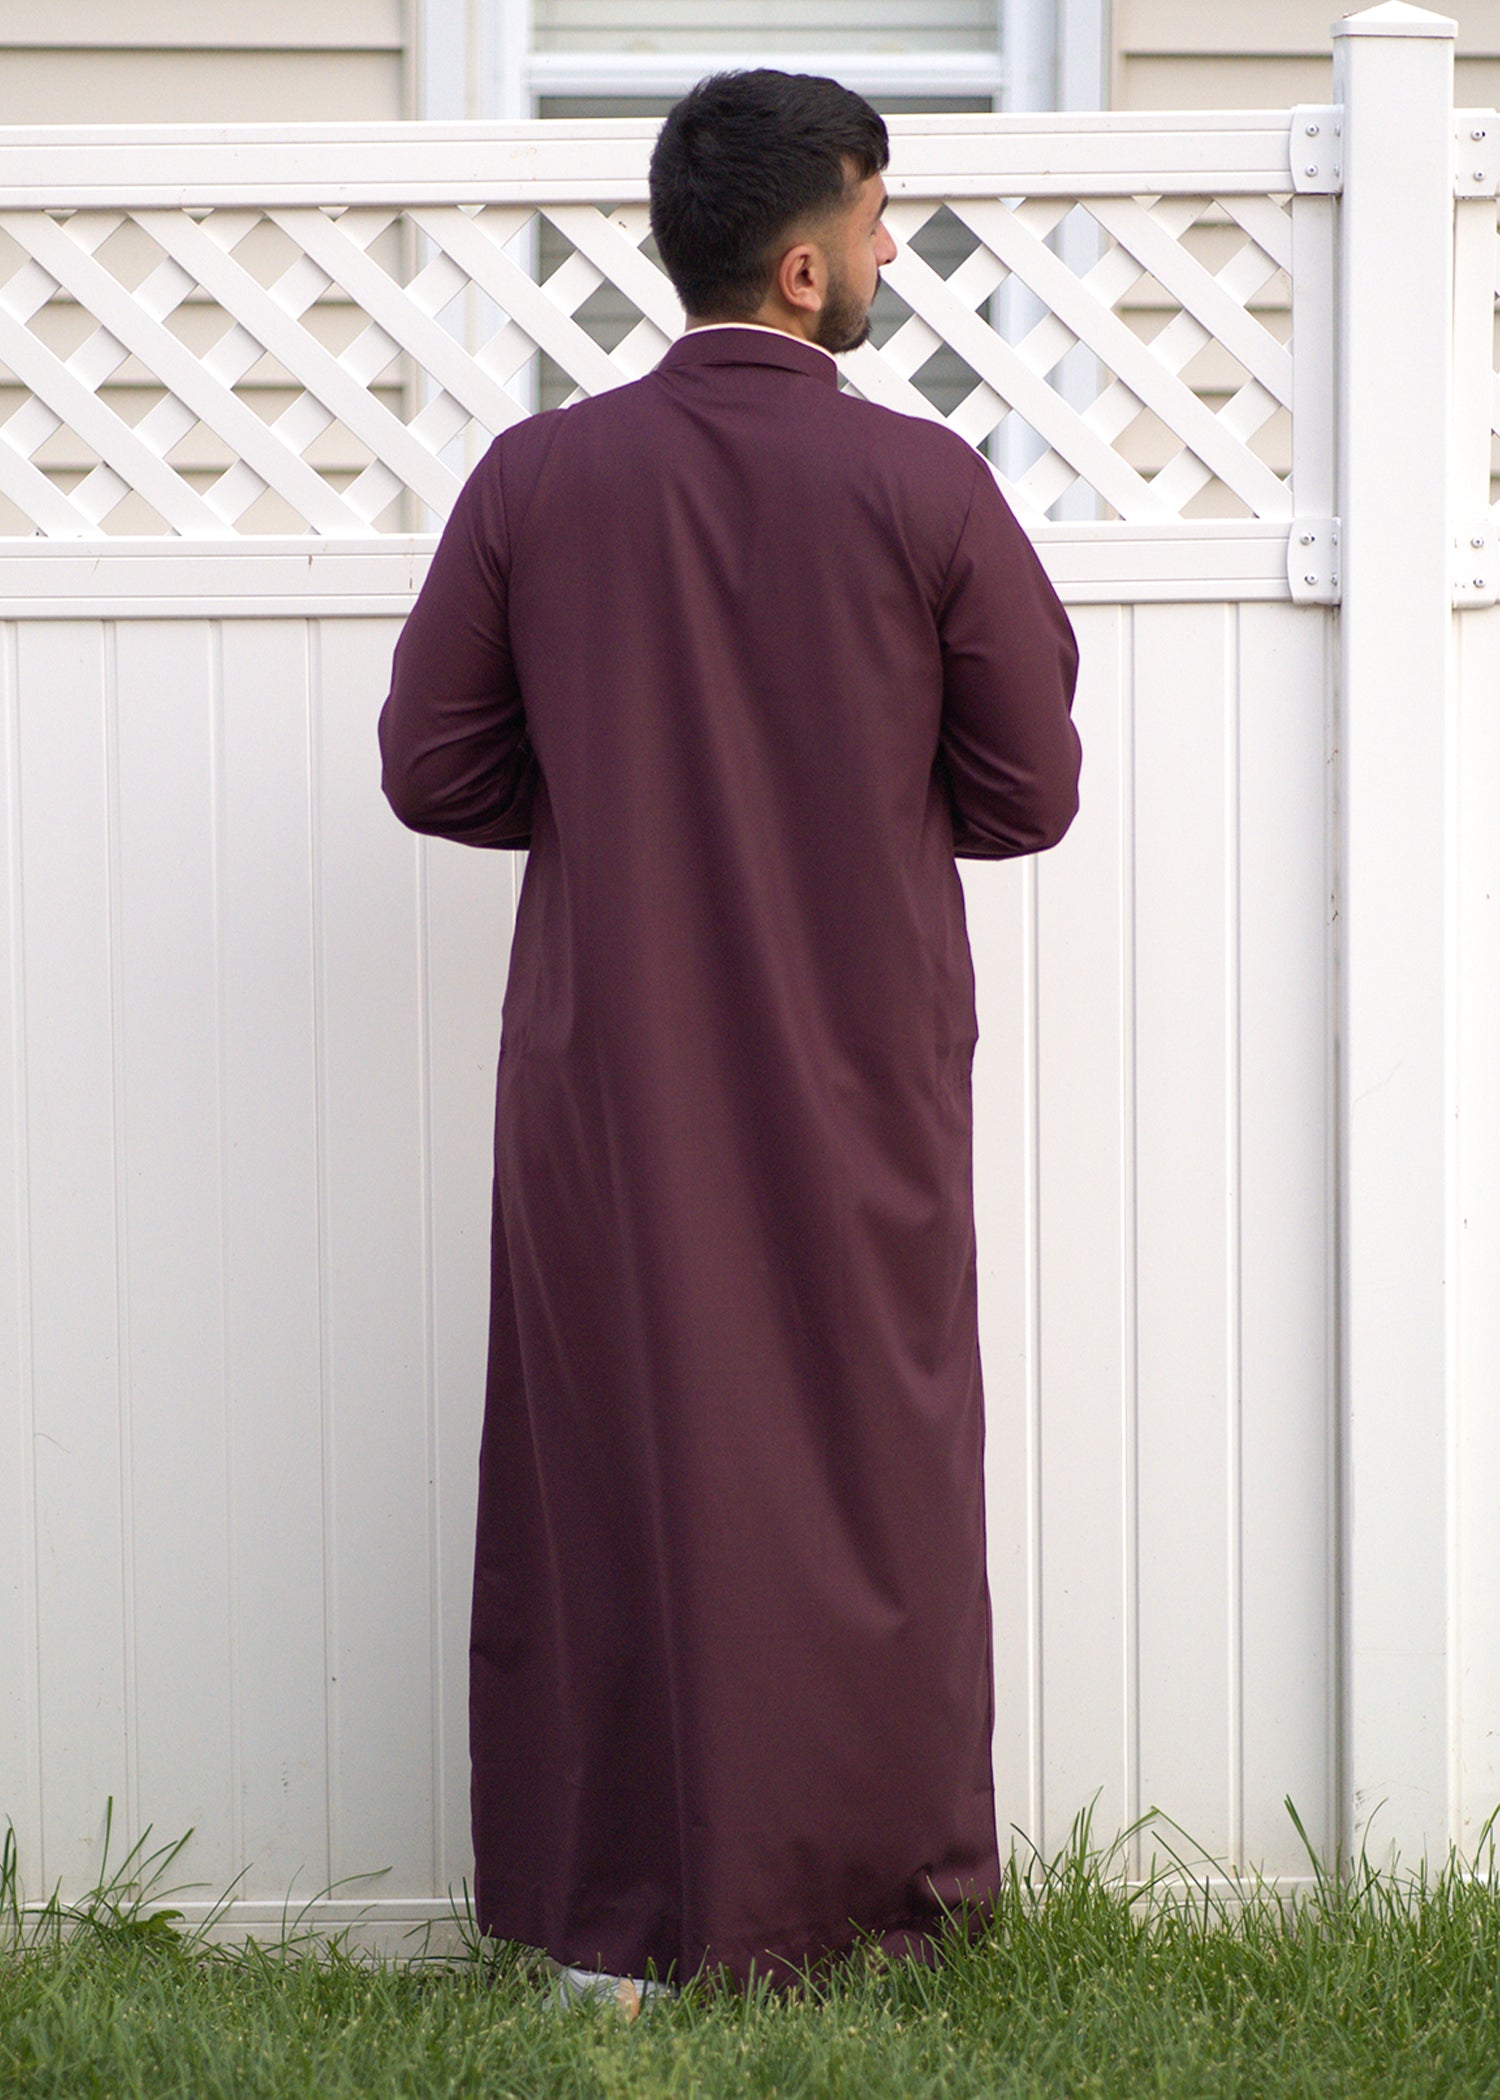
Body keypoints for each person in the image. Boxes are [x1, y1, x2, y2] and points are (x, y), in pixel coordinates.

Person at [379, 67, 1081, 1996]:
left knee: (611, 1465)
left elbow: (434, 765)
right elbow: (1028, 789)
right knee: (870, 1480)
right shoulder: (924, 485)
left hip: (611, 1085)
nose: (889, 251)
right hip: (863, 1086)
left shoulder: (538, 479)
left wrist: (621, 792)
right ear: (800, 264)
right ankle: (873, 1922)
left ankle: (612, 1932)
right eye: (875, 219)